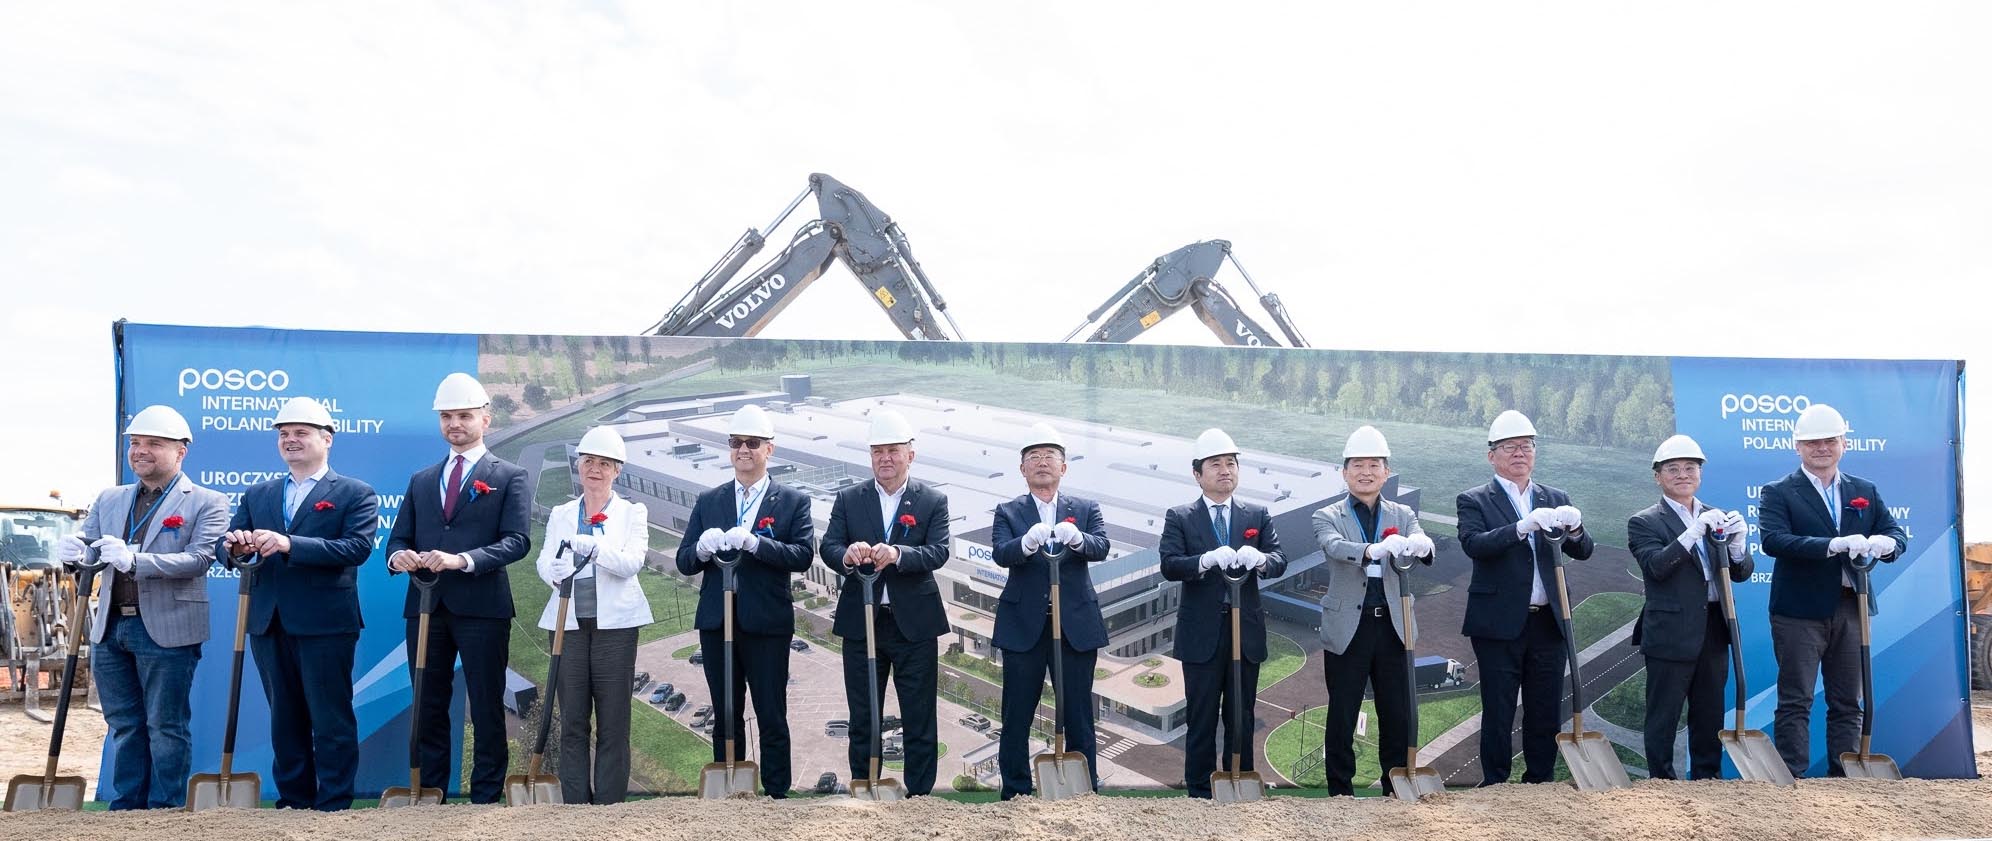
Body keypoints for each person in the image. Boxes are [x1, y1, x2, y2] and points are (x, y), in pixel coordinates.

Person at [56, 405, 228, 810]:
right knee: (124, 724)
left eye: (153, 443)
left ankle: (165, 809)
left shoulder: (206, 501)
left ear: (180, 451)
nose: (140, 451)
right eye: (135, 443)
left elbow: (202, 558)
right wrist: (74, 554)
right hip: (111, 627)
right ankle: (127, 807)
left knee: (166, 726)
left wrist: (137, 561)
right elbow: (91, 551)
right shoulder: (110, 498)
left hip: (168, 628)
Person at [218, 396, 378, 811]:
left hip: (326, 623)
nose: (291, 440)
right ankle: (294, 799)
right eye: (284, 434)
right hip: (269, 622)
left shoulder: (355, 493)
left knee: (330, 718)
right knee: (283, 718)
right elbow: (229, 550)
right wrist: (236, 548)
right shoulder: (259, 494)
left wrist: (290, 543)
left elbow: (355, 549)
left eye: (301, 433)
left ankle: (334, 802)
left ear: (327, 439)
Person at [383, 372, 531, 803]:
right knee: (428, 703)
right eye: (447, 416)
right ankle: (432, 794)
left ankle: (484, 797)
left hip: (483, 608)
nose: (455, 424)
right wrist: (400, 558)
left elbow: (517, 541)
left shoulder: (510, 475)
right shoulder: (422, 479)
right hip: (426, 607)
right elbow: (396, 540)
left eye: (464, 415)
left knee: (486, 705)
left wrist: (461, 560)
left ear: (485, 419)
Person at [672, 406, 814, 799]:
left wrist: (757, 543)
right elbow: (685, 561)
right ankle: (728, 793)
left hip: (766, 623)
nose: (743, 450)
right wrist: (700, 550)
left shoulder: (792, 501)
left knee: (771, 715)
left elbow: (802, 555)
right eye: (736, 443)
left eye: (752, 443)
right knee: (726, 715)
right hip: (718, 623)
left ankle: (776, 795)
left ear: (769, 449)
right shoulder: (709, 500)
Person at [1758, 403, 1906, 778]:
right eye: (1812, 442)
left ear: (1843, 443)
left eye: (1829, 440)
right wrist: (1831, 545)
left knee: (1847, 701)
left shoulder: (1863, 490)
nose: (1821, 448)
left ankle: (1846, 780)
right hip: (1798, 611)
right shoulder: (1778, 492)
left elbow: (1895, 533)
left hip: (1850, 607)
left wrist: (1888, 545)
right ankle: (1792, 776)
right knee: (1796, 699)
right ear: (1797, 446)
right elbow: (1774, 541)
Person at [1457, 409, 1594, 785]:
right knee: (1498, 709)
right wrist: (1520, 527)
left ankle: (1539, 781)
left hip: (1548, 621)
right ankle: (1496, 784)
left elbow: (1583, 551)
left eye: (1527, 446)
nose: (1520, 453)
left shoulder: (1555, 496)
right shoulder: (1474, 500)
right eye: (1510, 447)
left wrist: (1578, 528)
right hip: (1498, 622)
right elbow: (1474, 545)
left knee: (1545, 708)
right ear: (1492, 455)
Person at [819, 410, 952, 796]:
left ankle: (921, 797)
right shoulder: (849, 499)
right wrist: (847, 554)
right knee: (863, 715)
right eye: (878, 451)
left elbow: (938, 552)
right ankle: (865, 787)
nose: (885, 459)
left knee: (919, 717)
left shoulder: (931, 500)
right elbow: (829, 547)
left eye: (893, 450)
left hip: (915, 626)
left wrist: (897, 553)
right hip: (863, 622)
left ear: (910, 454)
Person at [1159, 428, 1287, 799]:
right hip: (1201, 636)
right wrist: (1203, 560)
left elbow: (1279, 559)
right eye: (1215, 464)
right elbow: (1169, 564)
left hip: (1244, 635)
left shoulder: (1257, 514)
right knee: (1200, 720)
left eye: (1231, 463)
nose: (1225, 470)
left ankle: (1241, 786)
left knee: (1242, 717)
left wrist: (1261, 559)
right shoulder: (1181, 516)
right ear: (1197, 474)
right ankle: (1199, 793)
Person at [1309, 425, 1434, 796]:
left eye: (1374, 465)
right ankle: (1340, 792)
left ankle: (1394, 787)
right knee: (1342, 713)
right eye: (1358, 465)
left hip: (1394, 628)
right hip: (1350, 627)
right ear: (1344, 472)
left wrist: (1422, 544)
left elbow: (1421, 544)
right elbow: (1333, 547)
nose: (1366, 472)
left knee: (1397, 713)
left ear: (1387, 471)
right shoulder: (1326, 515)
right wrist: (1369, 550)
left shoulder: (1403, 511)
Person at [989, 423, 1111, 800]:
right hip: (1024, 626)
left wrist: (1079, 538)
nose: (1042, 464)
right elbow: (1000, 553)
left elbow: (1101, 546)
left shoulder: (1086, 509)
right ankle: (1015, 792)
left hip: (1074, 626)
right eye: (1033, 458)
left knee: (1078, 716)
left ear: (1064, 467)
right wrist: (1025, 544)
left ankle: (1083, 789)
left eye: (1050, 457)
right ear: (1022, 469)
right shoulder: (1008, 511)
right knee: (1016, 716)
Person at [534, 425, 652, 804]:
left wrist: (596, 548)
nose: (595, 469)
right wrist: (551, 572)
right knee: (572, 720)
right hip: (568, 626)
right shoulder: (562, 513)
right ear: (578, 466)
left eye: (604, 463)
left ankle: (609, 805)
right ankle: (575, 805)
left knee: (613, 721)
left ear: (617, 470)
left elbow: (632, 562)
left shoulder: (632, 513)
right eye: (588, 462)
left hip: (614, 630)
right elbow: (544, 558)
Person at [1627, 433, 1753, 781]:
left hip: (1714, 626)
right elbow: (1656, 567)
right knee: (1664, 714)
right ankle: (1661, 783)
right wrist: (1691, 534)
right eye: (1673, 469)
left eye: (1690, 468)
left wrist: (1739, 545)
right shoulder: (1645, 521)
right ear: (1658, 476)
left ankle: (1707, 780)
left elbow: (1739, 574)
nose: (1683, 474)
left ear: (1699, 473)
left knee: (1710, 711)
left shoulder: (1716, 515)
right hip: (1671, 629)